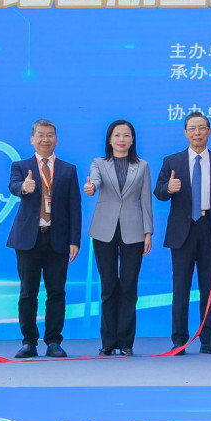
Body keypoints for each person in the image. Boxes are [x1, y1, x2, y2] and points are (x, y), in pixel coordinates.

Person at [155, 112, 211, 355]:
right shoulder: (172, 161)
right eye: (192, 128)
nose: (197, 133)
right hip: (182, 231)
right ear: (185, 132)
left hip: (210, 229)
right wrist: (169, 188)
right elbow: (159, 192)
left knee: (208, 289)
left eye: (201, 128)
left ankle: (208, 340)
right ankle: (179, 340)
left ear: (209, 131)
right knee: (181, 288)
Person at [7, 119, 81, 358]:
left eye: (50, 135)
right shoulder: (21, 166)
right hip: (28, 239)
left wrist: (75, 240)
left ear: (56, 139)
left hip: (58, 239)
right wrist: (24, 187)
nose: (45, 139)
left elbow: (75, 207)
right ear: (32, 139)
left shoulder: (68, 169)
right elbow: (13, 186)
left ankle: (53, 342)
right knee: (28, 293)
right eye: (40, 135)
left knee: (56, 292)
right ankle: (29, 342)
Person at [84, 120, 154, 357]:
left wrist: (148, 232)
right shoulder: (99, 163)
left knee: (128, 286)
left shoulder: (142, 166)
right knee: (108, 286)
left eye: (126, 135)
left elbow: (146, 200)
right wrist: (91, 187)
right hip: (104, 230)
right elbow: (95, 181)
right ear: (109, 139)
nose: (121, 139)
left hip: (134, 230)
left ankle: (126, 342)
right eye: (117, 135)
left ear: (133, 140)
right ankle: (108, 341)